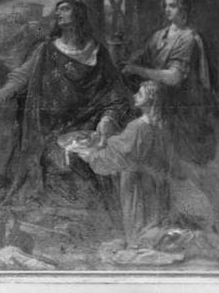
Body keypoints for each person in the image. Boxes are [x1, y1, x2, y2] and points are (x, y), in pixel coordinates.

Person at [0, 0, 130, 204]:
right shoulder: (46, 50)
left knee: (94, 164)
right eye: (57, 10)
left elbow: (114, 91)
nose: (58, 13)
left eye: (65, 9)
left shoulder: (97, 52)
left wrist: (107, 118)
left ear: (78, 14)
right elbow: (21, 76)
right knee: (56, 162)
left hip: (89, 124)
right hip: (51, 128)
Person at [122, 0, 219, 240]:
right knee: (164, 169)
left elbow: (173, 77)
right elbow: (141, 58)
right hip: (161, 110)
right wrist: (130, 63)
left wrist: (138, 70)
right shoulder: (158, 36)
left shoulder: (188, 38)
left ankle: (216, 228)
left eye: (173, 5)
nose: (168, 10)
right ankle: (169, 224)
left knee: (190, 170)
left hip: (184, 113)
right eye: (165, 6)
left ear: (184, 8)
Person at [73, 81, 171, 247]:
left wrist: (92, 156)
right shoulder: (161, 125)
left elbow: (120, 153)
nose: (134, 96)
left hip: (135, 180)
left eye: (140, 94)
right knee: (151, 215)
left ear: (150, 100)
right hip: (153, 179)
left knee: (137, 216)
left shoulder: (137, 127)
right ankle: (148, 242)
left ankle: (138, 244)